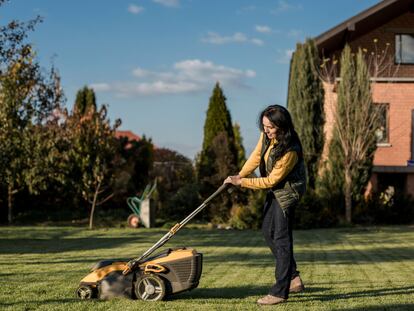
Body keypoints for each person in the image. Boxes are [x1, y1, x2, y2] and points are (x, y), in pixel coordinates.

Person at [224, 104, 306, 305]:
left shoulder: (290, 150)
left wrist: (242, 183)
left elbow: (270, 181)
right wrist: (239, 175)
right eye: (264, 126)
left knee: (281, 238)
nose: (266, 130)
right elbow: (255, 156)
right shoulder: (267, 137)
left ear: (282, 126)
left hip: (287, 193)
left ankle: (279, 292)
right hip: (275, 190)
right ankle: (293, 277)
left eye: (270, 127)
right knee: (267, 232)